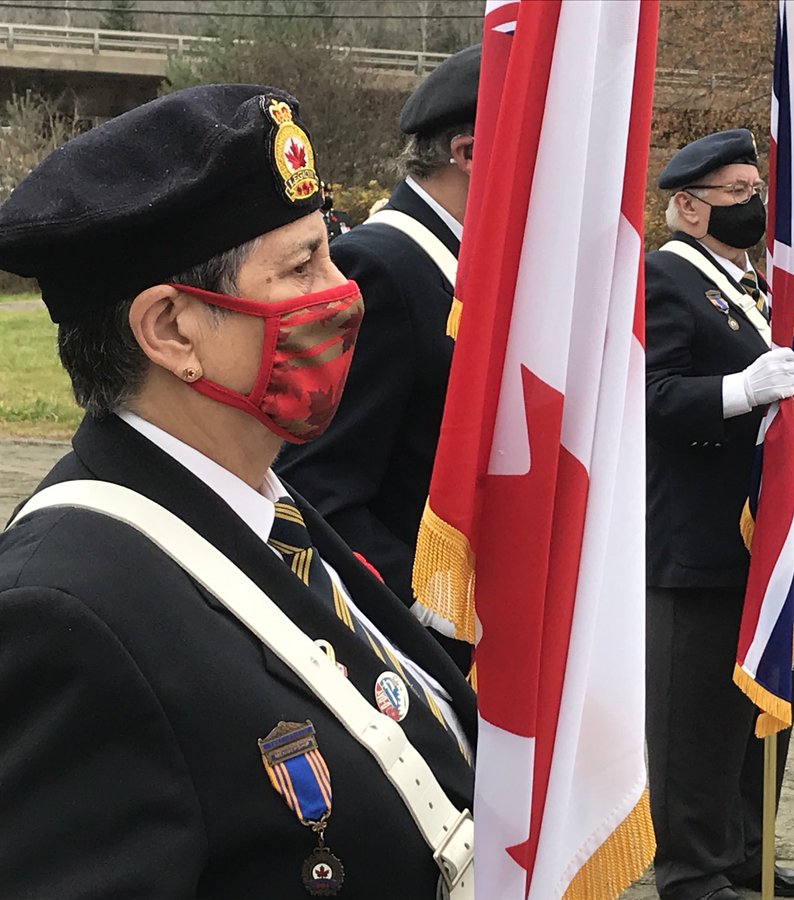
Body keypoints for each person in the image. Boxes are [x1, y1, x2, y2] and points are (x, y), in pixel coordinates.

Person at [0, 85, 475, 897]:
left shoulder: (262, 506)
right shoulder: (65, 613)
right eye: (302, 267)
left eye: (328, 250)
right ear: (173, 330)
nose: (344, 289)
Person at [644, 128, 794, 900]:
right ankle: (693, 869)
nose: (757, 204)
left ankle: (747, 852)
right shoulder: (665, 279)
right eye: (739, 193)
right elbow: (648, 398)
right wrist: (738, 392)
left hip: (779, 544)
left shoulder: (762, 285)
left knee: (765, 704)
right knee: (698, 723)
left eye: (759, 189)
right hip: (705, 541)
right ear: (689, 207)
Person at [277, 44, 481, 673]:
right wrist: (427, 605)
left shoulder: (470, 266)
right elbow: (320, 484)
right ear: (469, 153)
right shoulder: (384, 266)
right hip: (421, 641)